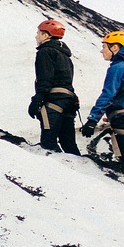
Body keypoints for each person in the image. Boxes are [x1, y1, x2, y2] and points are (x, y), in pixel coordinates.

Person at [80, 30, 124, 181]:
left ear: (115, 48)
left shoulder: (118, 67)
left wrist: (92, 120)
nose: (102, 50)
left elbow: (108, 95)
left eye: (104, 46)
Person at [28, 19, 80, 154]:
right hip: (69, 100)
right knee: (69, 144)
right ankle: (81, 171)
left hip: (54, 101)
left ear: (46, 36)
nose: (36, 36)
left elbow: (45, 78)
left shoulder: (45, 51)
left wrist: (37, 100)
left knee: (48, 142)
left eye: (38, 33)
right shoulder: (64, 54)